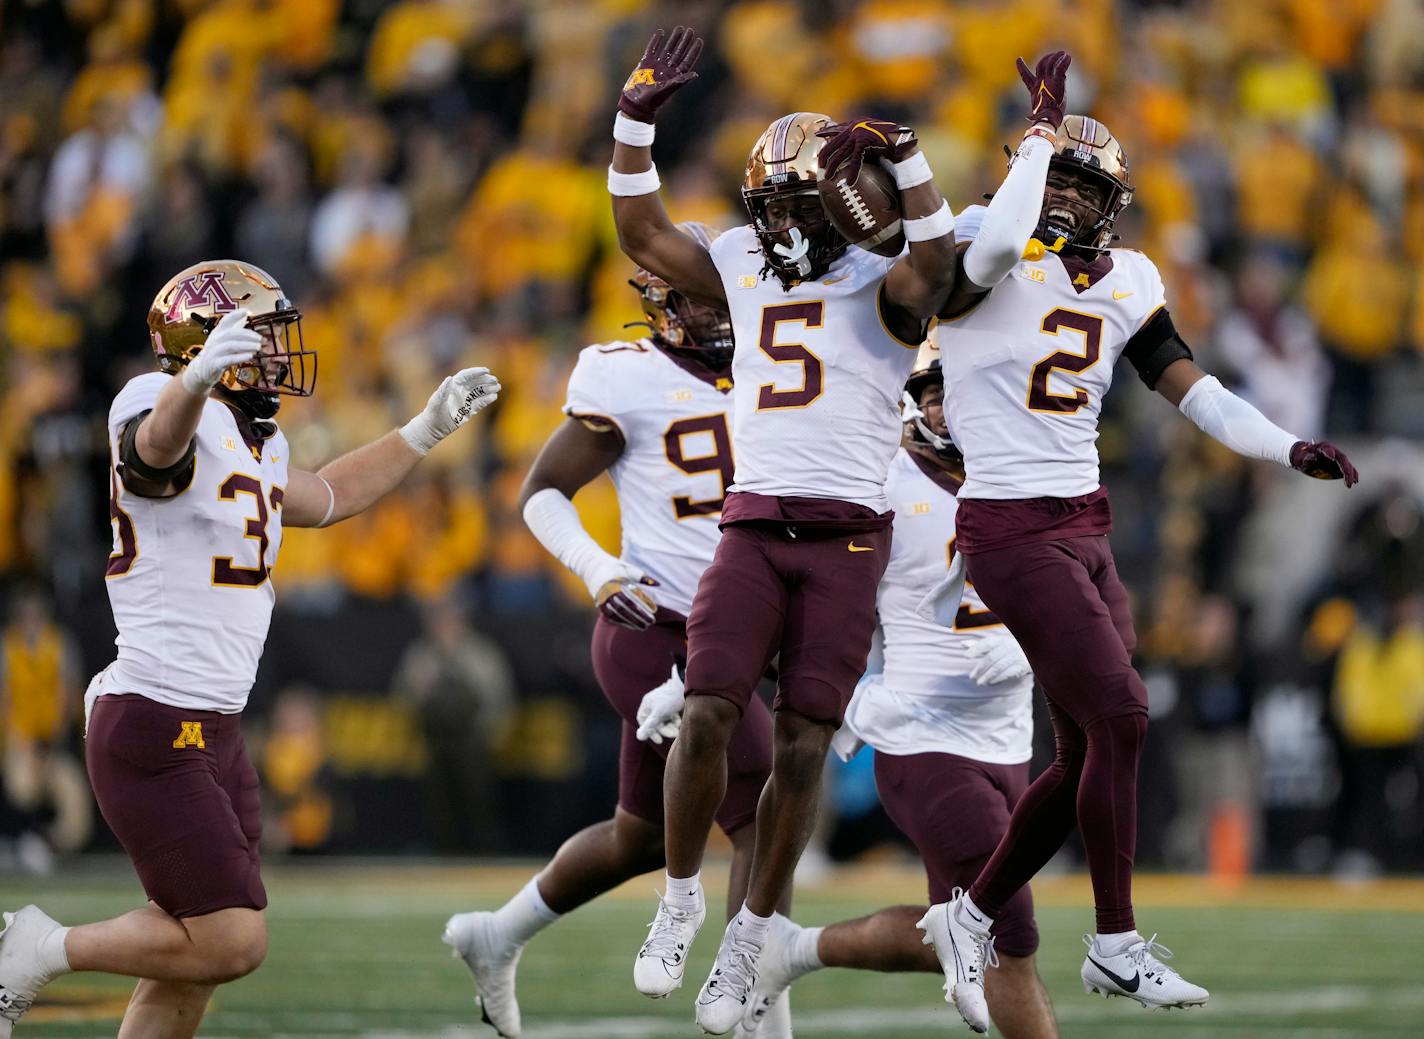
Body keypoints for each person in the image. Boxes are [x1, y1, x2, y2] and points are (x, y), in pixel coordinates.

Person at [920, 98, 1359, 1031]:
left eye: (1089, 188)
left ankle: (967, 914)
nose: (1071, 203)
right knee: (1123, 711)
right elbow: (997, 250)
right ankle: (1114, 943)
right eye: (1058, 182)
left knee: (1087, 745)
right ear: (1024, 175)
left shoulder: (1128, 278)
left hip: (1087, 525)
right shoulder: (977, 242)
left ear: (1115, 203)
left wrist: (1288, 448)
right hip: (1006, 523)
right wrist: (1041, 144)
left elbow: (1197, 395)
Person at [0, 259, 499, 1038]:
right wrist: (195, 379)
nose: (275, 353)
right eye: (260, 336)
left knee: (189, 957)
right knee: (232, 939)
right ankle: (37, 945)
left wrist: (423, 430)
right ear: (202, 342)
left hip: (215, 729)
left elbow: (331, 495)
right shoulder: (156, 399)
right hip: (156, 718)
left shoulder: (254, 439)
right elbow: (156, 453)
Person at [608, 23, 970, 1034]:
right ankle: (679, 900)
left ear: (838, 204)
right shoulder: (733, 257)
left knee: (807, 744)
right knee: (710, 711)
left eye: (794, 203)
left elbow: (937, 267)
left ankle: (748, 933)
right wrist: (631, 123)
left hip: (850, 534)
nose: (776, 223)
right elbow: (641, 235)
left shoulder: (882, 276)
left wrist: (906, 158)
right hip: (753, 525)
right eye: (764, 204)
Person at [443, 228, 788, 1039]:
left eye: (721, 290)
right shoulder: (627, 377)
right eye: (699, 295)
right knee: (762, 813)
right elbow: (541, 492)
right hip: (656, 627)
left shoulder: (778, 365)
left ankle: (498, 936)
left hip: (735, 627)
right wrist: (598, 568)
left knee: (640, 836)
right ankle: (756, 1025)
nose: (719, 308)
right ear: (662, 301)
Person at [742, 347, 1061, 1039]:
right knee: (1008, 935)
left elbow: (1099, 600)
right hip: (924, 740)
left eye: (965, 386)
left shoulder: (1034, 473)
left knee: (956, 931)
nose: (950, 404)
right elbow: (786, 605)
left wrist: (1039, 641)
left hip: (1010, 743)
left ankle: (789, 949)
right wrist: (845, 698)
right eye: (934, 390)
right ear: (911, 399)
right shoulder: (879, 485)